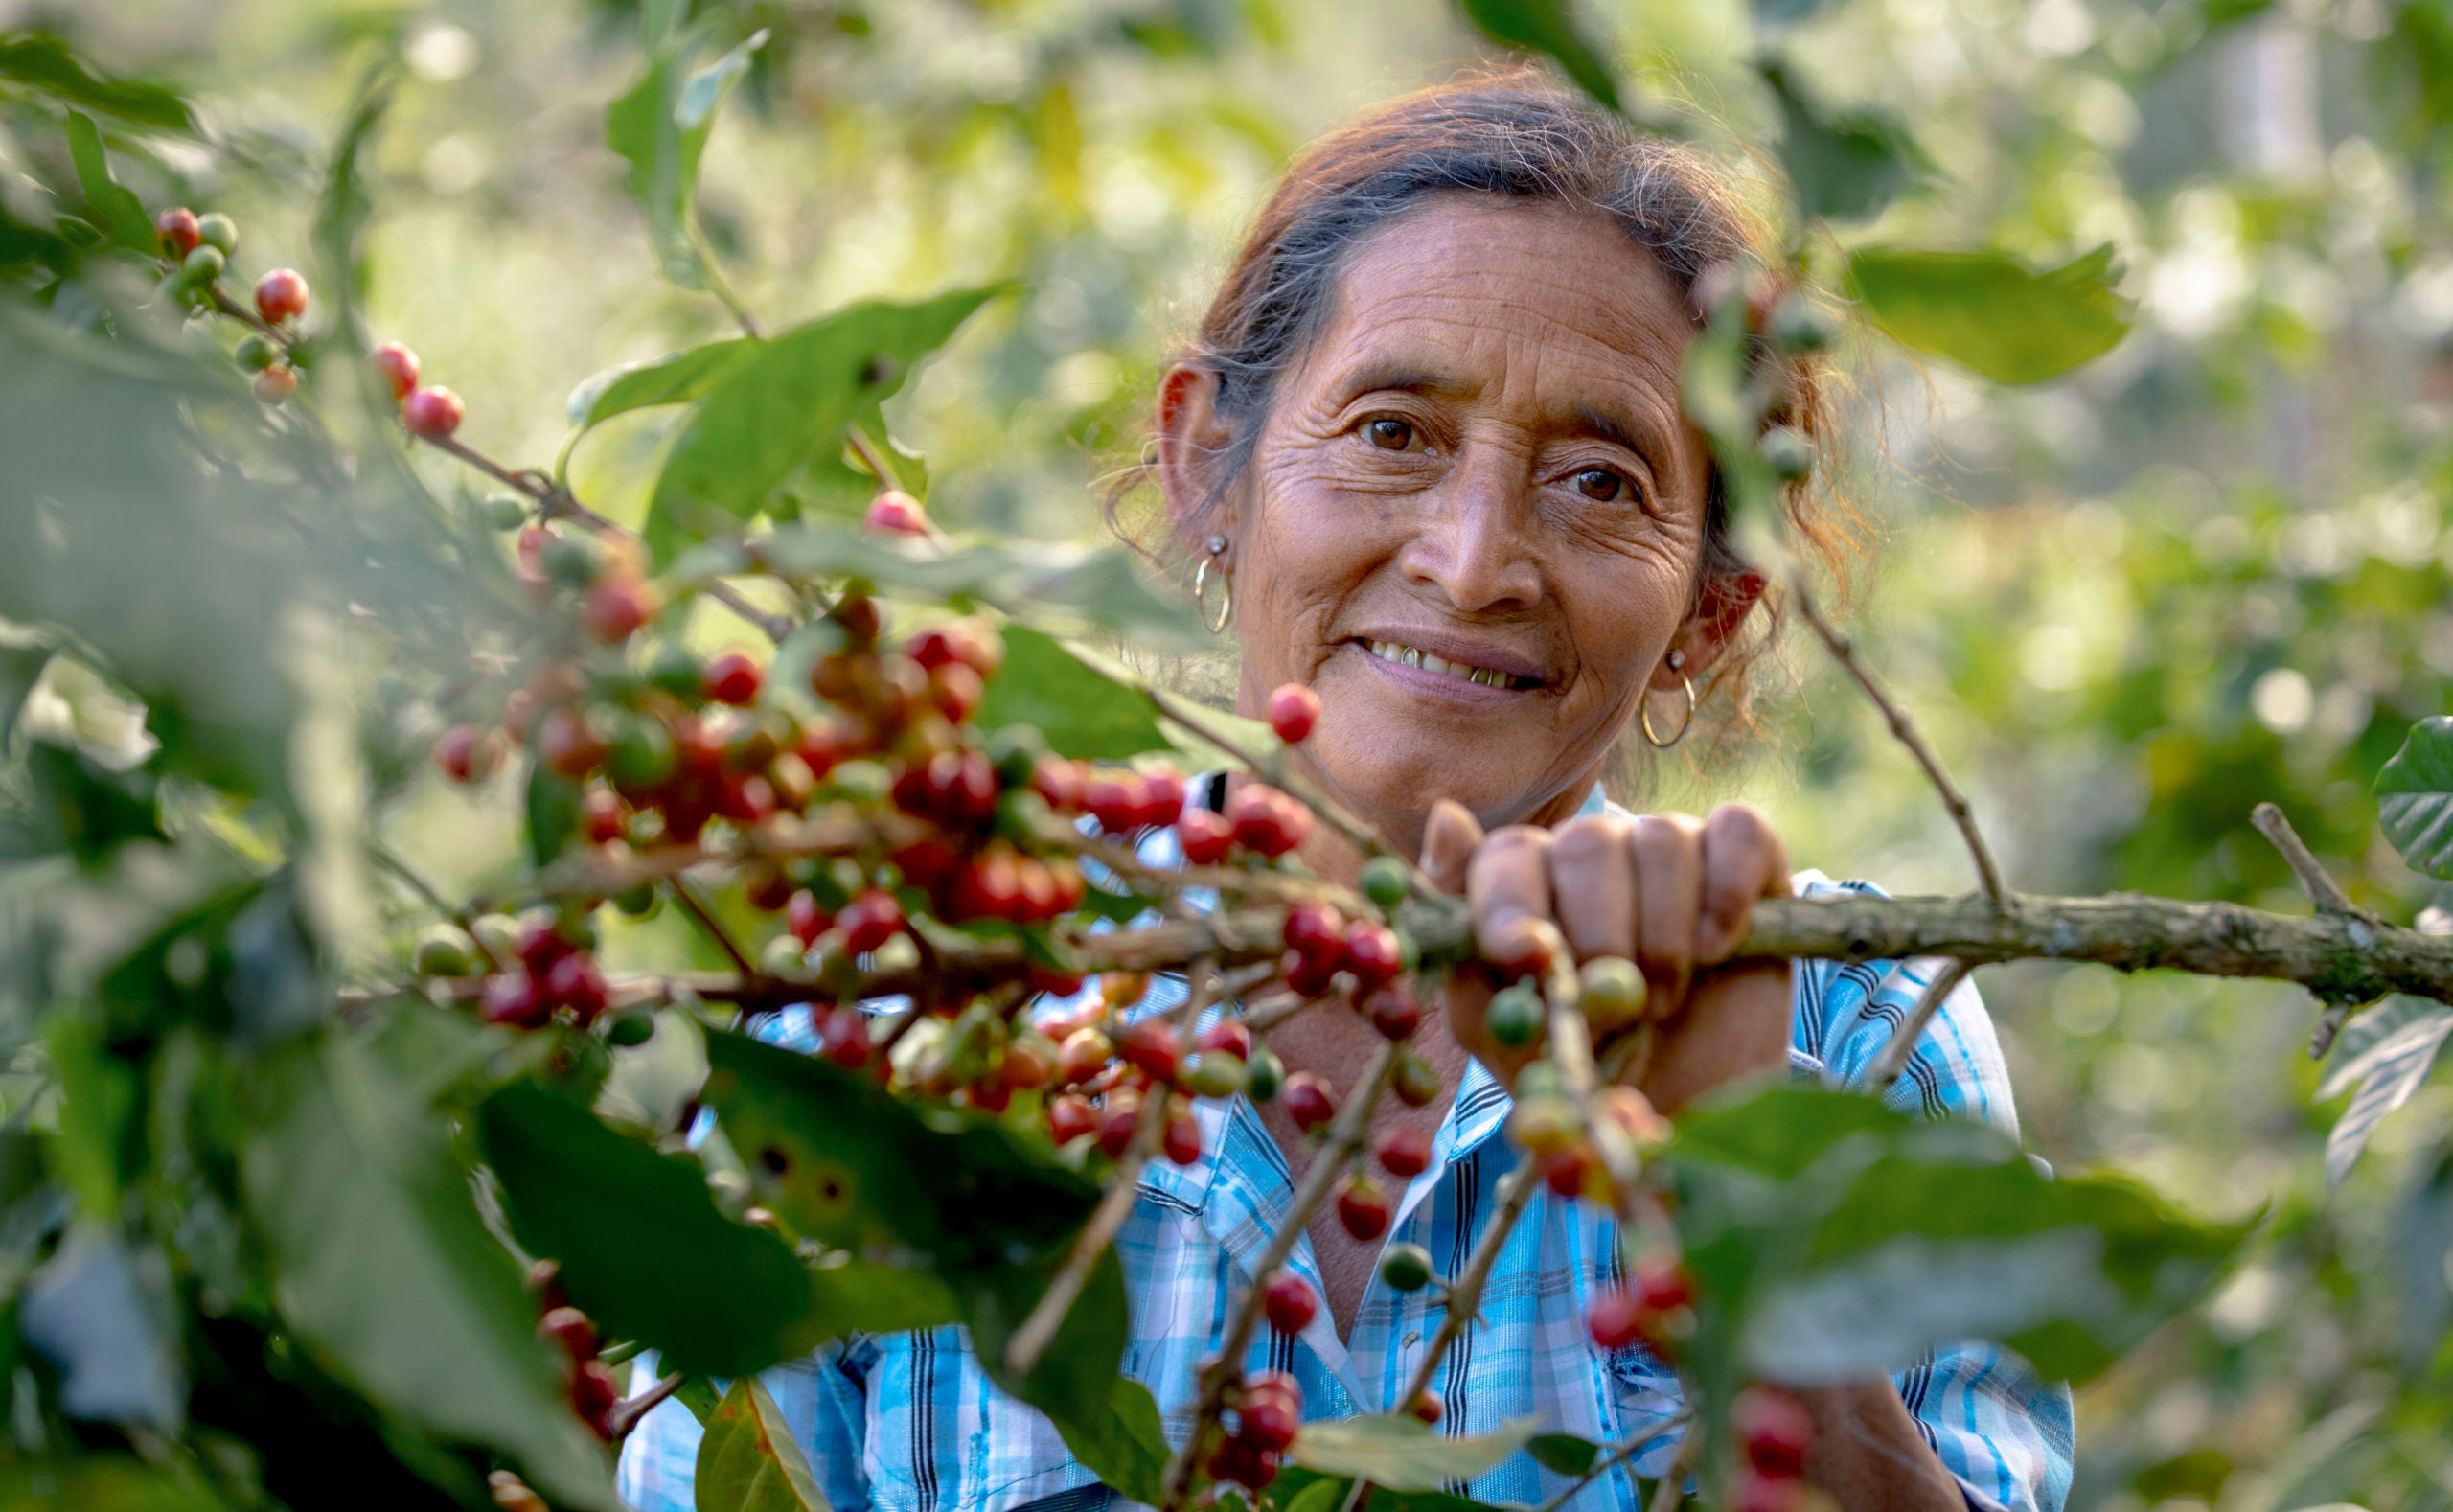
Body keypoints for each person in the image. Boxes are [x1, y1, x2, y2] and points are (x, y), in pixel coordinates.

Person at [619, 73, 2073, 1512]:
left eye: (1600, 482)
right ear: (1208, 465)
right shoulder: (900, 1013)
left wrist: (1729, 1195)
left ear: (1711, 602)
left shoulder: (1866, 1024)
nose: (1473, 558)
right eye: (1393, 433)